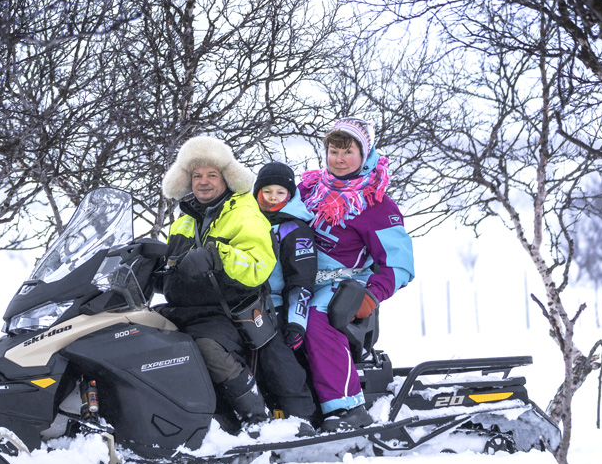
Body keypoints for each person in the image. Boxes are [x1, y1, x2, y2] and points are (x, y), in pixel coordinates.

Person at [299, 116, 415, 432]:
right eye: (333, 151)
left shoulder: (376, 204)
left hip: (342, 284)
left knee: (314, 319)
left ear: (364, 154)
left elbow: (400, 264)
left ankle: (348, 408)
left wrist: (372, 294)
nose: (339, 160)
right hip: (298, 276)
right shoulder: (308, 190)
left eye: (347, 152)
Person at [158, 135, 274, 425]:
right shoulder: (184, 219)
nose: (203, 182)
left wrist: (217, 257)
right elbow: (172, 270)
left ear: (227, 177)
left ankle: (256, 415)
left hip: (227, 312)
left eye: (212, 174)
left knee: (206, 348)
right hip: (182, 310)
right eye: (197, 175)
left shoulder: (244, 214)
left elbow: (259, 266)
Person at [250, 161, 319, 424]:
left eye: (280, 193)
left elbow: (301, 282)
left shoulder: (295, 228)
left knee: (279, 361)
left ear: (289, 196)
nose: (272, 198)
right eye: (267, 191)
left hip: (277, 308)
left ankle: (302, 416)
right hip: (245, 305)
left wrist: (296, 323)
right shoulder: (249, 221)